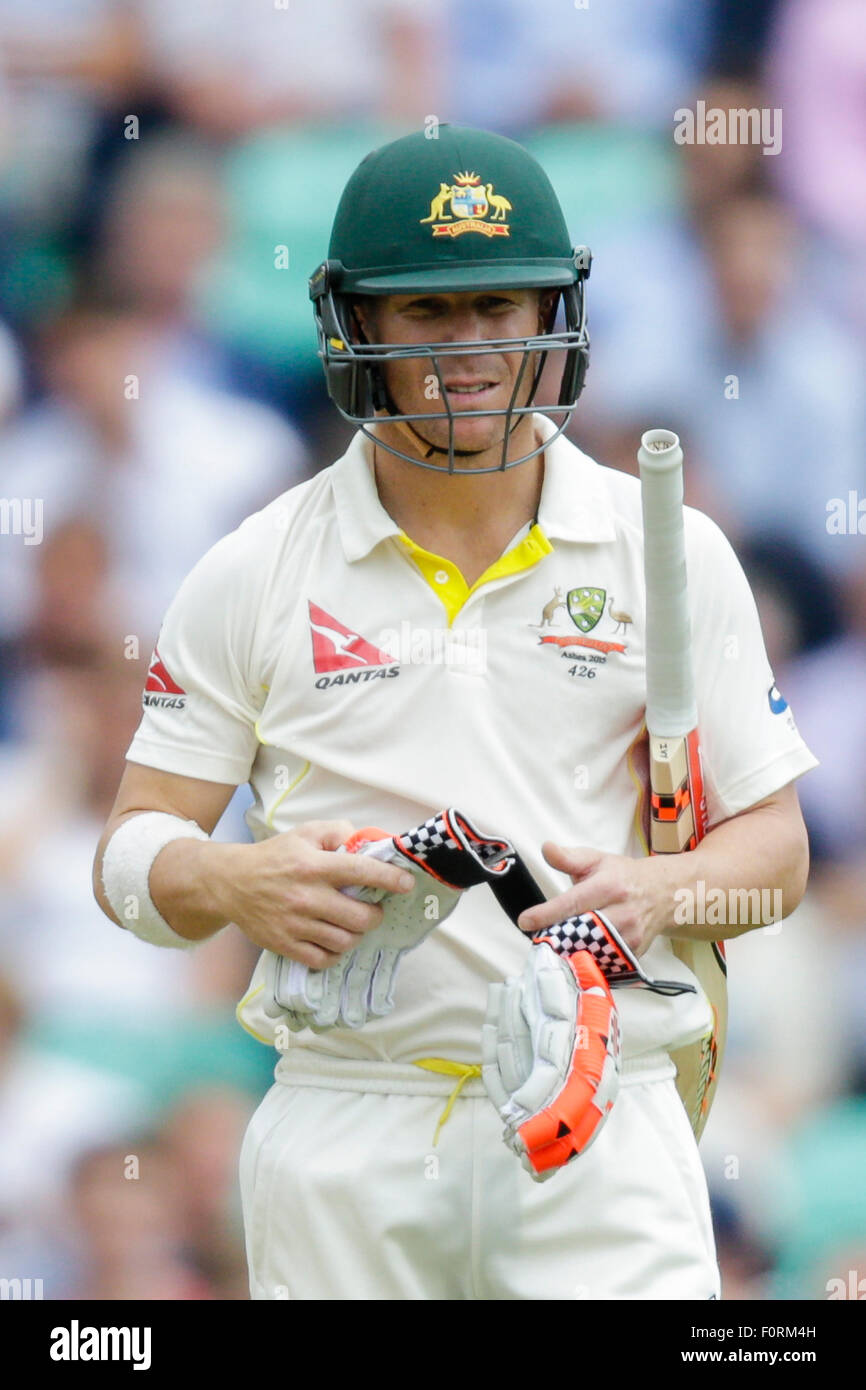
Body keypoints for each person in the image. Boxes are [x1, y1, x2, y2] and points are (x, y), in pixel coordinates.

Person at [93, 124, 817, 1300]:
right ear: (357, 325)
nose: (469, 348)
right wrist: (234, 881)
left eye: (498, 306)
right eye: (426, 314)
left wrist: (659, 891)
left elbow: (775, 853)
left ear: (551, 315)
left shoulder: (669, 551)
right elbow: (128, 861)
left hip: (600, 1117)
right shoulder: (254, 566)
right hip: (346, 1124)